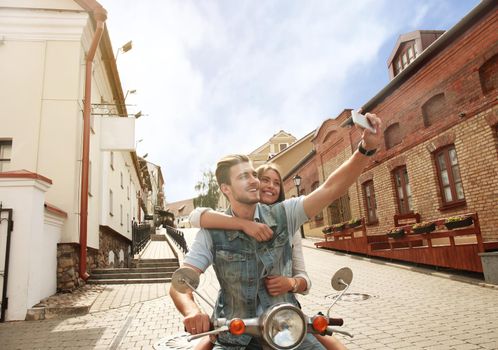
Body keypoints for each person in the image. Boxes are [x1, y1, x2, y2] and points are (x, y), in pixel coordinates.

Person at [170, 113, 382, 349]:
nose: (254, 181)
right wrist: (193, 312)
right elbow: (181, 282)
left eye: (253, 174)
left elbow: (331, 188)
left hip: (287, 330)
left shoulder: (285, 213)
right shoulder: (212, 231)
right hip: (234, 334)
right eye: (243, 176)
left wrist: (366, 148)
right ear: (226, 189)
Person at [189, 164, 346, 350]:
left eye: (276, 183)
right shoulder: (218, 224)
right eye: (264, 179)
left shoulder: (288, 218)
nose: (269, 186)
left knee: (321, 333)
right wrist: (243, 224)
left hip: (282, 320)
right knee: (210, 338)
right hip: (238, 324)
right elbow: (196, 216)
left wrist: (290, 283)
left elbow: (303, 278)